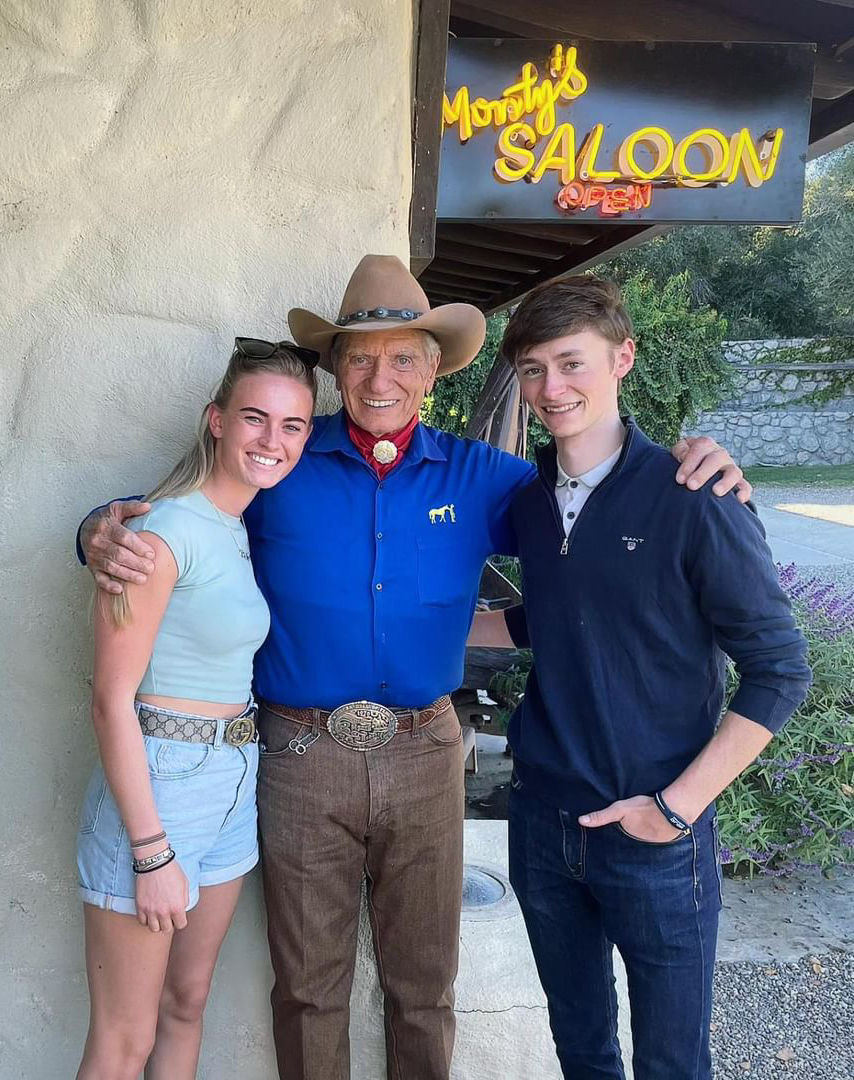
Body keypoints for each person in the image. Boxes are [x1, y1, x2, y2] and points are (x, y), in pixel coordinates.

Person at [77, 256, 751, 1080]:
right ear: (334, 370)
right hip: (298, 753)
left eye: (404, 356)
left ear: (433, 370)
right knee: (307, 986)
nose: (381, 376)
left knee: (425, 986)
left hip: (428, 752)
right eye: (360, 357)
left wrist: (702, 472)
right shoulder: (281, 461)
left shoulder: (490, 480)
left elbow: (596, 512)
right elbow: (178, 518)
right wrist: (96, 532)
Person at [470, 276, 811, 1079]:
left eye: (572, 362)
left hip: (655, 833)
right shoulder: (528, 500)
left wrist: (675, 808)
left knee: (671, 1062)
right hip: (545, 821)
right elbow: (552, 613)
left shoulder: (696, 495)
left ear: (623, 358)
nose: (553, 389)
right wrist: (418, 635)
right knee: (581, 1048)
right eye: (532, 370)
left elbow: (779, 667)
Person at [74, 339, 318, 1080]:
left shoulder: (238, 525)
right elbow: (110, 699)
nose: (271, 441)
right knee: (125, 1038)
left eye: (293, 425)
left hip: (233, 778)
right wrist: (151, 852)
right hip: (160, 785)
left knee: (187, 1000)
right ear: (216, 420)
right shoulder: (161, 533)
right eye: (254, 418)